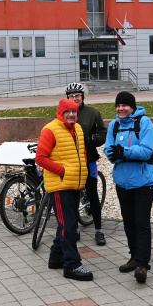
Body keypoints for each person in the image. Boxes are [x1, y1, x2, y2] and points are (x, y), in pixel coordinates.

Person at [36, 99, 93, 281]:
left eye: (74, 111)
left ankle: (55, 258)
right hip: (60, 185)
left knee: (65, 224)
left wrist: (82, 173)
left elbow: (81, 154)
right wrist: (62, 171)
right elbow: (41, 158)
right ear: (60, 112)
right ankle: (72, 265)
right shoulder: (50, 130)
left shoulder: (77, 129)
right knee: (69, 226)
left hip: (74, 183)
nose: (71, 114)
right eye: (67, 111)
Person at [104, 91, 153, 284]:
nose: (121, 109)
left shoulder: (144, 123)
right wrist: (119, 153)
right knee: (129, 223)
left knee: (142, 224)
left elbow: (147, 151)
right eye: (118, 106)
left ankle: (142, 264)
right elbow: (109, 152)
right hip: (122, 183)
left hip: (142, 182)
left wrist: (123, 152)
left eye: (125, 105)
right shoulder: (114, 125)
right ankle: (134, 256)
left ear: (132, 107)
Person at [66, 82, 107, 245]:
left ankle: (99, 230)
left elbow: (102, 133)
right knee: (73, 196)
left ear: (83, 97)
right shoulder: (64, 114)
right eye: (71, 96)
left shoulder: (92, 113)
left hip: (88, 159)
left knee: (92, 195)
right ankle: (74, 228)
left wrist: (92, 140)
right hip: (70, 161)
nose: (74, 98)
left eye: (77, 95)